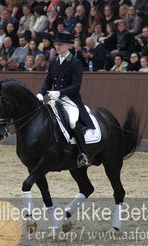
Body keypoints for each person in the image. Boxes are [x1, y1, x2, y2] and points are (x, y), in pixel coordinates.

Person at [37, 32, 95, 168]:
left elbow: (76, 86)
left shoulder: (75, 63)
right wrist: (40, 93)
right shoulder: (53, 62)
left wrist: (59, 92)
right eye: (56, 44)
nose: (57, 47)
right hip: (54, 98)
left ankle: (83, 154)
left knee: (73, 121)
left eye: (60, 45)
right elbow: (47, 82)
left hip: (70, 100)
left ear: (69, 45)